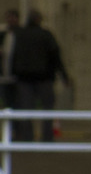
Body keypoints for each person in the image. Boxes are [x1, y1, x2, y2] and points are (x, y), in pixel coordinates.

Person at [7, 8, 69, 141]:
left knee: (26, 110)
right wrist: (64, 75)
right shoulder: (46, 35)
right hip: (44, 78)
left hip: (24, 78)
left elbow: (13, 56)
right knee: (47, 108)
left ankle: (27, 138)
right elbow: (56, 56)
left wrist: (13, 75)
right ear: (38, 20)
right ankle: (47, 138)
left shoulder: (20, 35)